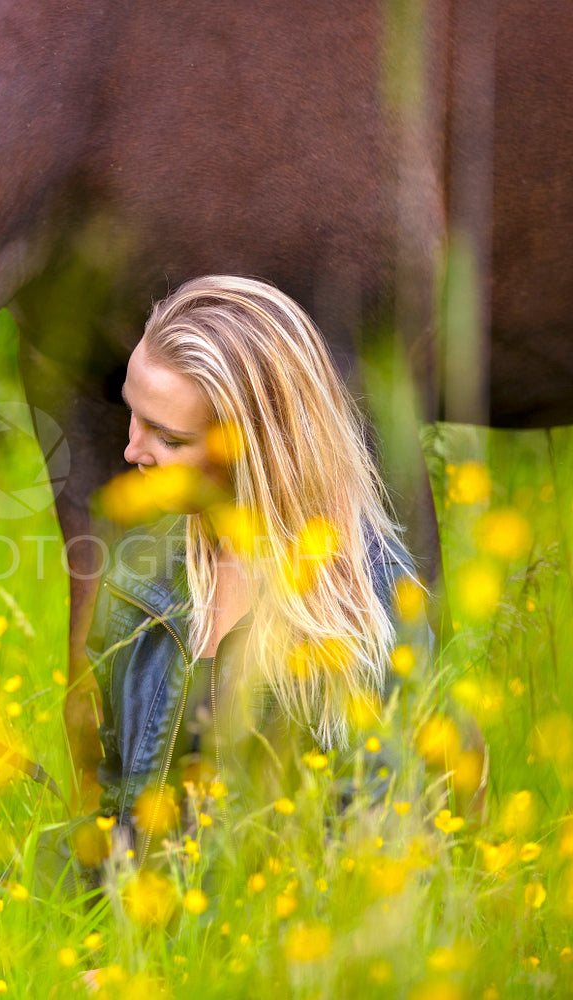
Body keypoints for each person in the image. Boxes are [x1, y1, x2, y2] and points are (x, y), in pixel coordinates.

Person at [83, 275, 431, 869]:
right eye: (132, 415)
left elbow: (361, 870)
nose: (132, 452)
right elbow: (117, 828)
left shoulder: (373, 609)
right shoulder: (141, 576)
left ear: (258, 450)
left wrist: (169, 963)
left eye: (168, 438)